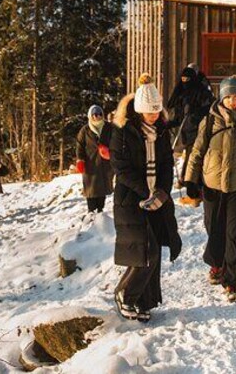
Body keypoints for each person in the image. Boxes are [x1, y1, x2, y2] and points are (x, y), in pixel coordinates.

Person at [184, 76, 236, 303]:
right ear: (221, 98)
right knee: (215, 230)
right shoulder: (210, 121)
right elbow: (197, 152)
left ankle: (233, 282)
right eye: (228, 97)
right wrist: (190, 180)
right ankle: (217, 264)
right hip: (213, 186)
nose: (232, 101)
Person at [110, 74, 181, 322]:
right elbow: (121, 168)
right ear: (140, 111)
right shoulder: (122, 132)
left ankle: (143, 301)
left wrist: (162, 192)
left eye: (157, 111)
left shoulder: (161, 132)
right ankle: (125, 294)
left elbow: (166, 165)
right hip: (130, 198)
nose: (154, 116)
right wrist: (145, 191)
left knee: (153, 250)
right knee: (145, 250)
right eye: (149, 112)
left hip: (155, 199)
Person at [166, 64, 214, 207]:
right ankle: (192, 190)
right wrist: (170, 123)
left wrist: (196, 114)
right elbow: (179, 115)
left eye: (188, 78)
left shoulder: (202, 91)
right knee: (189, 160)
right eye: (183, 78)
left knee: (194, 161)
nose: (185, 81)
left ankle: (195, 192)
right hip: (186, 133)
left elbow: (209, 107)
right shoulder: (181, 93)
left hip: (199, 131)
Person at [75, 105, 114, 213]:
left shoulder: (109, 127)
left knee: (102, 189)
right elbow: (79, 146)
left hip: (105, 164)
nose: (97, 117)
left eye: (100, 114)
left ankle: (101, 213)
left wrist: (110, 151)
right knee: (91, 190)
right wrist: (80, 160)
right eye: (94, 114)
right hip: (90, 165)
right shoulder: (85, 130)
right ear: (90, 116)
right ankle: (91, 212)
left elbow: (116, 142)